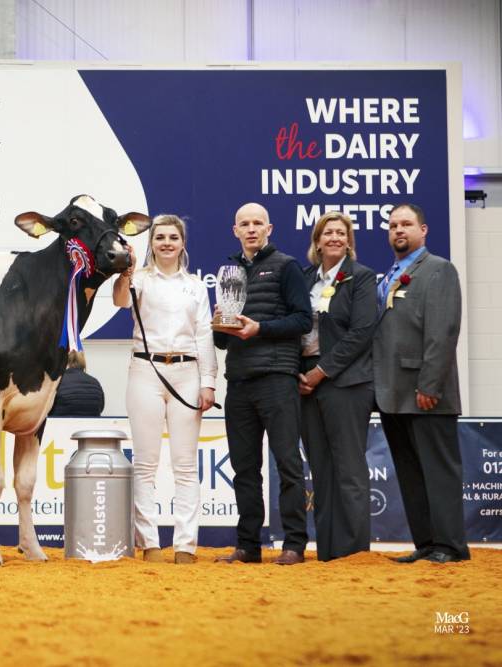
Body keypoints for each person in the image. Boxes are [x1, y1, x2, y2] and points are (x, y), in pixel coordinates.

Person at [112, 214, 216, 564]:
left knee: (185, 465)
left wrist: (208, 382)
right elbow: (120, 302)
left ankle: (186, 545)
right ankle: (150, 544)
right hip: (145, 370)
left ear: (182, 243)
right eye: (160, 238)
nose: (167, 243)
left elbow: (204, 334)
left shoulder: (196, 285)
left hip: (187, 373)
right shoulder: (139, 279)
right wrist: (125, 273)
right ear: (151, 243)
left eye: (173, 237)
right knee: (145, 464)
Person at [214, 202, 312, 565]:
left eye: (258, 223)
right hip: (239, 381)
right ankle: (248, 546)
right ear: (235, 231)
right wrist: (220, 325)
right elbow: (222, 341)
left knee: (288, 464)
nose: (251, 229)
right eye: (245, 224)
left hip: (277, 379)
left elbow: (303, 320)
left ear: (269, 229)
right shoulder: (229, 271)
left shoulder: (287, 267)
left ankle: (294, 545)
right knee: (244, 469)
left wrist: (261, 329)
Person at [374, 203, 470, 564]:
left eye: (406, 224)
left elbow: (442, 332)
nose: (399, 230)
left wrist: (430, 384)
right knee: (411, 473)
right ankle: (427, 542)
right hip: (393, 393)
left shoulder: (438, 269)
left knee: (439, 472)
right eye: (393, 225)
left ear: (423, 230)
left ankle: (450, 546)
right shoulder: (390, 274)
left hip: (426, 392)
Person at [297, 211, 377, 561]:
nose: (334, 238)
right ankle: (329, 551)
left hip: (346, 382)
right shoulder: (304, 279)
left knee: (349, 468)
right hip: (306, 383)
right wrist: (299, 373)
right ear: (317, 242)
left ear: (349, 241)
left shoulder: (361, 277)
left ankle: (354, 551)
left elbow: (362, 332)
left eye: (341, 233)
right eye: (327, 233)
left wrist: (322, 371)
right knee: (321, 469)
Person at [48, 351, 105, 417]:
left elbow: (47, 408)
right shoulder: (95, 383)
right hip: (91, 423)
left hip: (61, 423)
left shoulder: (57, 382)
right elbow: (101, 407)